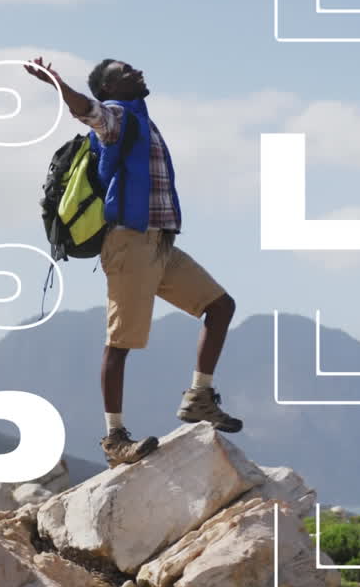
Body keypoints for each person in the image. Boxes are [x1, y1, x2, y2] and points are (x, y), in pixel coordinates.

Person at [24, 56, 242, 467]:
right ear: (110, 90)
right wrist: (55, 81)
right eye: (125, 72)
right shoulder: (118, 117)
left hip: (159, 244)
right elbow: (86, 111)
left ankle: (199, 398)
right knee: (120, 342)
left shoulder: (140, 119)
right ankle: (114, 439)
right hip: (130, 243)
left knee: (219, 306)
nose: (137, 72)